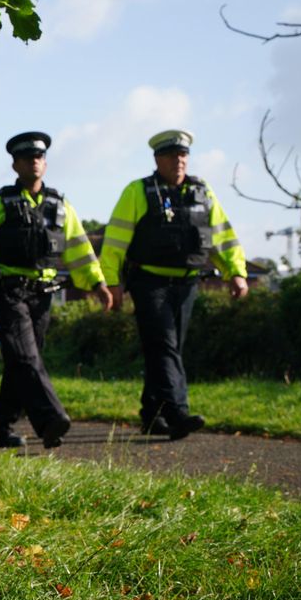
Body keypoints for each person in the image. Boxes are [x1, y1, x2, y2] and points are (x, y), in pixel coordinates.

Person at [0, 131, 112, 449]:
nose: (35, 162)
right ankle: (51, 420)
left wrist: (98, 283)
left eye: (39, 157)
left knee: (21, 362)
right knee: (26, 357)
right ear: (15, 165)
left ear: (45, 162)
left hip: (44, 295)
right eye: (28, 157)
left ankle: (0, 431)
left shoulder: (60, 205)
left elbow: (80, 249)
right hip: (9, 292)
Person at [100, 129, 248, 440]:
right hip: (149, 282)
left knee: (166, 348)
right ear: (157, 159)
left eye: (183, 154)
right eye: (170, 155)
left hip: (187, 284)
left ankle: (152, 414)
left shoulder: (202, 192)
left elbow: (221, 236)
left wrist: (236, 272)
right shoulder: (137, 192)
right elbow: (114, 242)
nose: (178, 160)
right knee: (164, 344)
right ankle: (177, 412)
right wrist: (111, 281)